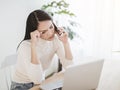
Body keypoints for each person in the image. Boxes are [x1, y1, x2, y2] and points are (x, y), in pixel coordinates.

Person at [10, 9, 73, 90]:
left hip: (41, 84)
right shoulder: (25, 46)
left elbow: (69, 67)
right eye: (43, 32)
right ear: (34, 32)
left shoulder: (55, 40)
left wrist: (65, 43)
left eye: (51, 27)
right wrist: (33, 46)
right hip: (21, 86)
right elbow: (37, 79)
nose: (50, 33)